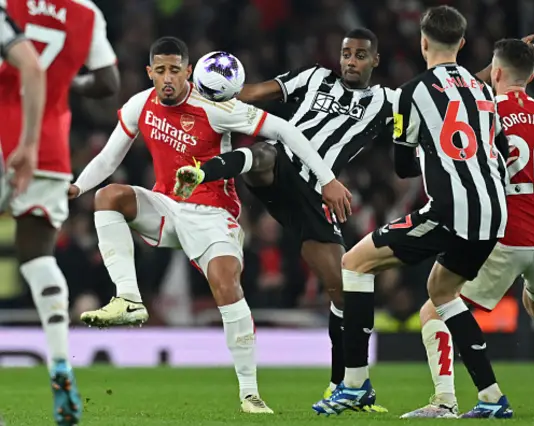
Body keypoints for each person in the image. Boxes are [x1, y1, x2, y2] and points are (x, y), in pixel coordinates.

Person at [73, 37, 350, 413]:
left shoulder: (216, 107)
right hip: (167, 207)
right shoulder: (141, 104)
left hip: (212, 214)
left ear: (189, 71)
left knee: (225, 285)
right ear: (149, 71)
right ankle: (129, 299)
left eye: (175, 70)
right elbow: (108, 159)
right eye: (160, 70)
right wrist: (76, 187)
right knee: (108, 196)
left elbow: (284, 131)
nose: (167, 78)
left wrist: (327, 179)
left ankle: (250, 393)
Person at [174, 28, 394, 410]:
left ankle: (343, 386)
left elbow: (442, 95)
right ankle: (200, 172)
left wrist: (492, 70)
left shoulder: (386, 101)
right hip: (284, 166)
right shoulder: (314, 77)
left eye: (360, 55)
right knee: (263, 151)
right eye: (346, 54)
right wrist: (200, 91)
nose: (350, 61)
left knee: (343, 291)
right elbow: (254, 92)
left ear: (375, 60)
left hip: (314, 196)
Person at [312, 6, 513, 418]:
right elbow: (504, 149)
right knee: (442, 293)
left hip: (451, 208)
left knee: (354, 264)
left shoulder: (411, 92)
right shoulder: (484, 92)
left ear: (423, 43)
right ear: (461, 43)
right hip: (494, 211)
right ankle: (492, 397)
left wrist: (431, 147)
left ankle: (353, 385)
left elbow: (403, 166)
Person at [419, 38, 534, 417]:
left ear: (496, 72)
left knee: (435, 307)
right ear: (532, 75)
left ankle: (445, 399)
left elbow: (449, 105)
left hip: (505, 234)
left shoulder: (482, 110)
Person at [0, 1, 120, 424]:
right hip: (49, 142)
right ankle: (59, 363)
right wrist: (69, 83)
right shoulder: (87, 12)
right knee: (39, 258)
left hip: (4, 128)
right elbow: (108, 81)